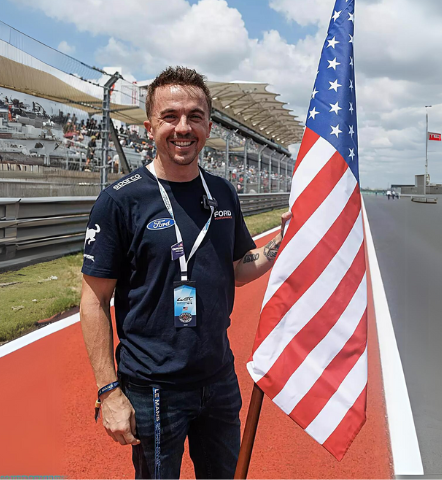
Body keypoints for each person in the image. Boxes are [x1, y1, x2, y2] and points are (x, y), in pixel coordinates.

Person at [80, 66, 290, 479]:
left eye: (194, 116)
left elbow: (238, 269)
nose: (183, 127)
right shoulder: (120, 201)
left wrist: (284, 242)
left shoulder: (223, 192)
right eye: (170, 116)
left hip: (218, 378)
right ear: (149, 126)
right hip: (154, 387)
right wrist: (109, 392)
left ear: (208, 126)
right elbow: (94, 300)